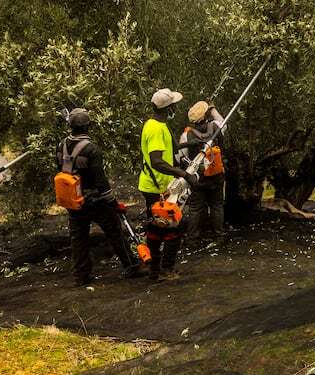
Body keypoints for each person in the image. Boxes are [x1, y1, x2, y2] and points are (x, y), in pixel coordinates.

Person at [58, 108, 141, 286]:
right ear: (88, 126)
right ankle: (131, 265)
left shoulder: (61, 145)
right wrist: (114, 204)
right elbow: (101, 182)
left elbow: (60, 170)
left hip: (73, 200)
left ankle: (81, 275)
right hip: (95, 200)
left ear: (70, 126)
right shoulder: (91, 149)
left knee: (78, 238)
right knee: (114, 231)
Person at [139, 89, 197, 280]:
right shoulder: (156, 128)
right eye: (174, 105)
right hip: (156, 187)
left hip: (156, 185)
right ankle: (163, 270)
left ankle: (156, 269)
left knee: (157, 228)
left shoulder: (155, 124)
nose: (176, 108)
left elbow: (167, 150)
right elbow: (157, 161)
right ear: (168, 108)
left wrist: (192, 143)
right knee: (170, 227)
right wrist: (184, 175)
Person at [178, 100, 226, 243]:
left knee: (195, 208)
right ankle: (219, 236)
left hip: (198, 178)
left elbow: (181, 156)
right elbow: (223, 121)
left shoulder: (187, 135)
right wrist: (212, 108)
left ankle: (193, 237)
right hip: (217, 175)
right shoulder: (217, 127)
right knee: (217, 206)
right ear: (205, 115)